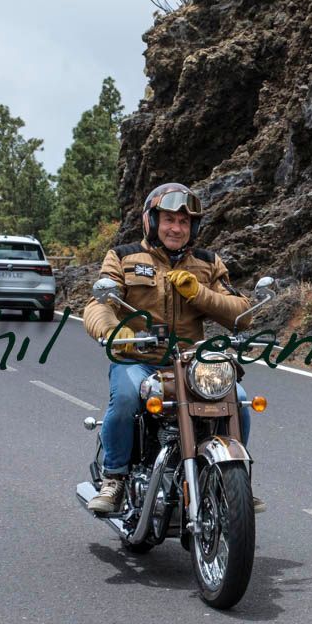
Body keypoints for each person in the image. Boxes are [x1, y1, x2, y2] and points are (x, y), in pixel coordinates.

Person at [81, 183, 265, 515]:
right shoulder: (123, 257)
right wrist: (113, 331)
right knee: (125, 399)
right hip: (137, 359)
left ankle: (233, 480)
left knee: (237, 400)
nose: (176, 228)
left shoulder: (208, 263)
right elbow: (100, 304)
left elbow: (242, 313)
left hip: (192, 365)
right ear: (152, 221)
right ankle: (115, 478)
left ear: (193, 227)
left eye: (184, 222)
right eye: (169, 220)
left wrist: (198, 293)